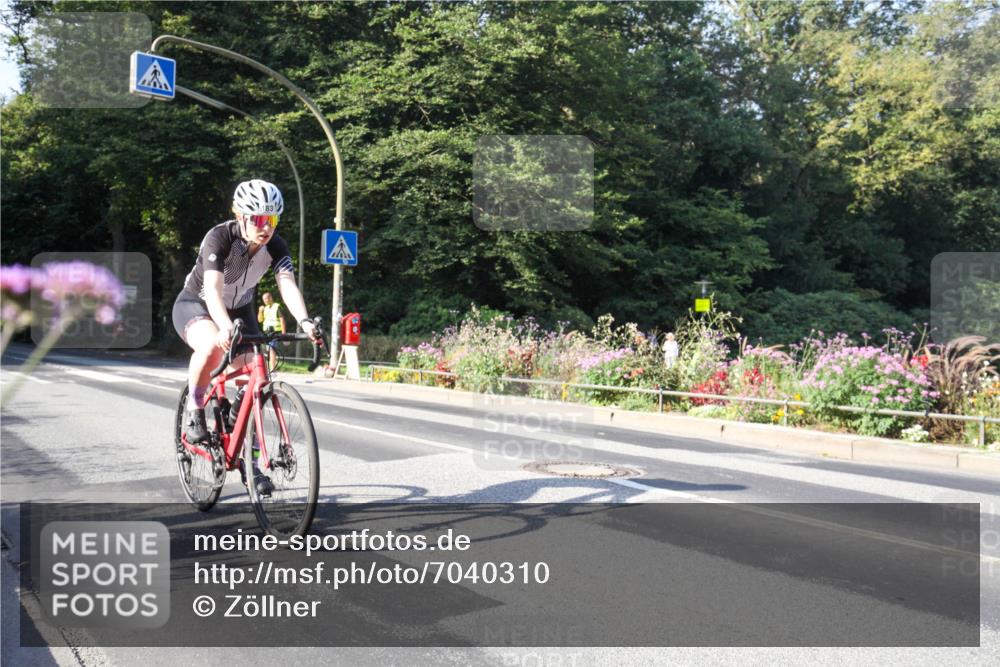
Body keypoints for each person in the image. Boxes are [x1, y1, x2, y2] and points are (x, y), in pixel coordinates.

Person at [172, 179, 319, 494]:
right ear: (241, 216)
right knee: (212, 344)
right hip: (197, 303)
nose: (267, 227)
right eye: (260, 220)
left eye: (273, 220)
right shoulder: (219, 237)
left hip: (241, 308)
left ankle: (248, 461)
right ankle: (197, 409)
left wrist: (304, 321)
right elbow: (211, 290)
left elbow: (287, 283)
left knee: (257, 373)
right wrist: (224, 326)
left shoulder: (275, 245)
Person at [258, 291, 286, 371]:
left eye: (266, 298)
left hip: (275, 331)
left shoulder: (276, 306)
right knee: (267, 349)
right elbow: (260, 320)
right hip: (267, 332)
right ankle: (267, 367)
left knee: (271, 349)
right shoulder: (265, 308)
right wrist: (260, 311)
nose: (265, 300)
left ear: (271, 298)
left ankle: (272, 368)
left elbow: (282, 319)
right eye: (264, 299)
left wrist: (283, 333)